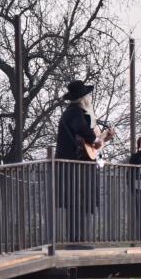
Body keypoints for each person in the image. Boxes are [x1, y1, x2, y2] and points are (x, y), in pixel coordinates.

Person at [54, 80, 114, 249]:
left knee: (80, 202)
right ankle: (75, 241)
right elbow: (83, 131)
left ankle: (80, 239)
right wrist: (97, 138)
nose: (90, 98)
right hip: (74, 166)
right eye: (88, 95)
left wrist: (103, 138)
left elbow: (90, 145)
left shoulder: (75, 112)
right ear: (82, 98)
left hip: (79, 164)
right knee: (75, 202)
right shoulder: (74, 112)